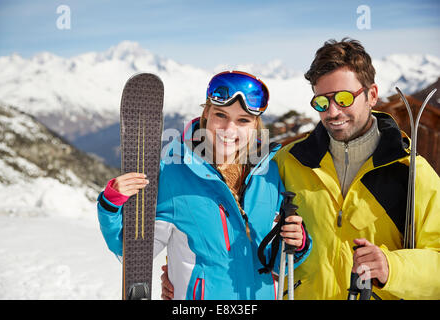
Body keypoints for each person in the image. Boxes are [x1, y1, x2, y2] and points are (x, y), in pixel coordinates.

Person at [97, 70, 312, 300]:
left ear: (255, 124)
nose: (229, 129)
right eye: (221, 115)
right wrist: (111, 204)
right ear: (207, 112)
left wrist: (297, 243)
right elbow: (131, 253)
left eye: (242, 120)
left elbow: (277, 263)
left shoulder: (269, 174)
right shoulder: (173, 173)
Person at [273, 38, 439, 299]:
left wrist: (392, 268)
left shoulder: (413, 172)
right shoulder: (287, 162)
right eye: (322, 102)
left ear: (371, 95)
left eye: (344, 98)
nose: (333, 111)